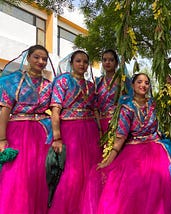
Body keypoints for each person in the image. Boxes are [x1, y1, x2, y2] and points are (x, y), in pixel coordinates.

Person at [81, 73, 171, 214]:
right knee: (131, 186)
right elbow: (121, 137)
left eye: (146, 83)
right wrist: (108, 160)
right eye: (139, 82)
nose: (143, 85)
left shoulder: (154, 104)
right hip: (134, 149)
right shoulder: (127, 108)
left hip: (156, 147)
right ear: (132, 85)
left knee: (167, 178)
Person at [0, 45, 54, 213]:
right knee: (16, 175)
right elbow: (5, 111)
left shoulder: (49, 85)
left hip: (41, 134)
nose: (41, 61)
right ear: (28, 58)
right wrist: (2, 139)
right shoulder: (14, 81)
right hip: (18, 131)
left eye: (44, 59)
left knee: (37, 176)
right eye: (37, 57)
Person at [48, 50, 101, 213]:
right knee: (72, 171)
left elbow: (96, 111)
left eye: (85, 62)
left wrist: (100, 132)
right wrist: (57, 137)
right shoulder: (62, 81)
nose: (82, 65)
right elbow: (55, 110)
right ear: (72, 62)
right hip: (70, 130)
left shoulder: (90, 86)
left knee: (91, 170)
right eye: (78, 61)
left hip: (90, 130)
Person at [95, 49, 131, 134]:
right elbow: (94, 105)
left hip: (119, 122)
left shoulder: (123, 81)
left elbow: (130, 102)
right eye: (105, 60)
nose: (107, 62)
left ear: (116, 63)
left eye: (111, 60)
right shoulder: (98, 82)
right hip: (101, 123)